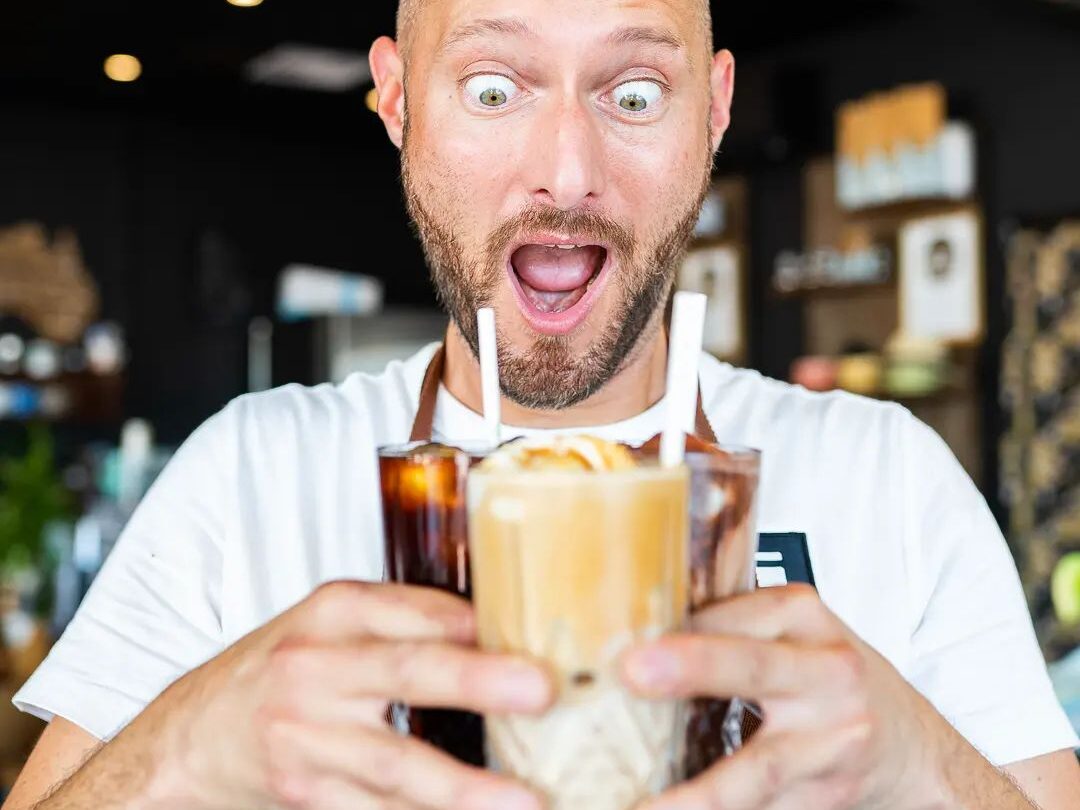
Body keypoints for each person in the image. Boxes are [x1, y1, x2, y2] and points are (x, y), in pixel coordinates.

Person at [8, 0, 1080, 807]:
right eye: (491, 88)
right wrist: (195, 747)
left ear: (712, 112)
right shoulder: (248, 475)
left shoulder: (890, 476)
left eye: (634, 94)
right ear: (395, 102)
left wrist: (913, 759)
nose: (566, 173)